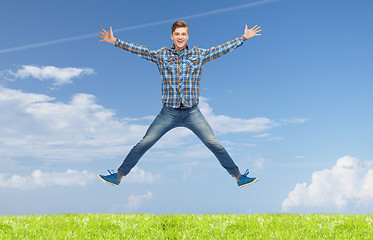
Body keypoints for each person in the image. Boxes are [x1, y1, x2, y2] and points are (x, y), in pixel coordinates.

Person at [97, 21, 261, 188]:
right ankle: (117, 177)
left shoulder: (198, 54)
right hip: (168, 113)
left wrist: (243, 38)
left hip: (192, 112)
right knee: (145, 143)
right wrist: (115, 41)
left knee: (213, 143)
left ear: (187, 36)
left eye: (183, 34)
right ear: (172, 36)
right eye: (177, 34)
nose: (180, 37)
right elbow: (140, 50)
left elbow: (220, 49)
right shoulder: (162, 55)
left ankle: (239, 177)